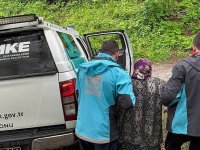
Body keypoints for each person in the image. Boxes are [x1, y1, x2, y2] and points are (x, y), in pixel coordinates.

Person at [75, 40, 136, 150]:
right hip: (104, 132)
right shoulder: (119, 73)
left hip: (83, 129)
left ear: (100, 52)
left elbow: (77, 95)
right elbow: (127, 103)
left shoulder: (82, 70)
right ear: (117, 54)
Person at [161, 32, 200, 150]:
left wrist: (171, 105)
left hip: (183, 124)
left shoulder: (182, 66)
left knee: (171, 145)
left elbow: (168, 97)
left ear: (194, 47)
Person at [119, 58, 166, 150]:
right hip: (152, 136)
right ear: (149, 69)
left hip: (129, 136)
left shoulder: (127, 83)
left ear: (136, 68)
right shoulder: (160, 84)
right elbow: (171, 99)